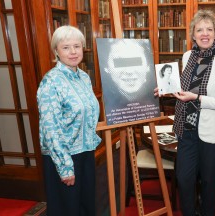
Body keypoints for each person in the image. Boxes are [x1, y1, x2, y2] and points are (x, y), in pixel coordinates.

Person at [155, 10, 215, 216]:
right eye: (200, 29)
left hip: (212, 134)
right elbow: (183, 88)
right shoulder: (188, 56)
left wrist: (197, 98)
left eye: (209, 29)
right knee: (184, 179)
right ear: (193, 35)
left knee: (208, 182)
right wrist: (165, 90)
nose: (205, 34)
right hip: (186, 129)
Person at [37, 26, 101, 216]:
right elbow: (51, 129)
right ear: (56, 51)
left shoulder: (83, 77)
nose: (73, 52)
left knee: (87, 206)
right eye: (66, 47)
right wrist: (65, 167)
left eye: (77, 46)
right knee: (67, 209)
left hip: (86, 153)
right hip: (63, 157)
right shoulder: (51, 82)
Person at [96, 38, 160, 124]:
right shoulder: (105, 105)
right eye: (119, 62)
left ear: (148, 66)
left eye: (136, 61)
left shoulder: (154, 96)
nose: (129, 71)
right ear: (106, 68)